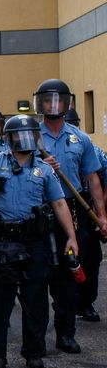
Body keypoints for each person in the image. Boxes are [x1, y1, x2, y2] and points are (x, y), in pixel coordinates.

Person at [0, 103, 78, 368]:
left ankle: (33, 352)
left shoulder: (46, 169)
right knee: (0, 301)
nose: (25, 141)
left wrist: (71, 237)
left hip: (35, 240)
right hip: (3, 240)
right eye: (19, 136)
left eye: (29, 135)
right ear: (9, 138)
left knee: (35, 299)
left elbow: (60, 204)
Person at [34, 79, 107, 353]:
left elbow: (93, 177)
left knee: (69, 275)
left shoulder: (80, 138)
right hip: (41, 211)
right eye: (47, 100)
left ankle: (66, 334)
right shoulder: (30, 136)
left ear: (67, 103)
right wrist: (38, 163)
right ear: (39, 103)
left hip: (73, 210)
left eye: (58, 100)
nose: (53, 105)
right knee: (39, 276)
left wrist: (101, 216)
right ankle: (36, 338)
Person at [66, 108, 107, 323]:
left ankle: (85, 302)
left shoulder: (93, 150)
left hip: (88, 210)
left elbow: (102, 182)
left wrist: (101, 216)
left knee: (91, 258)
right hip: (63, 206)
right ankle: (65, 302)